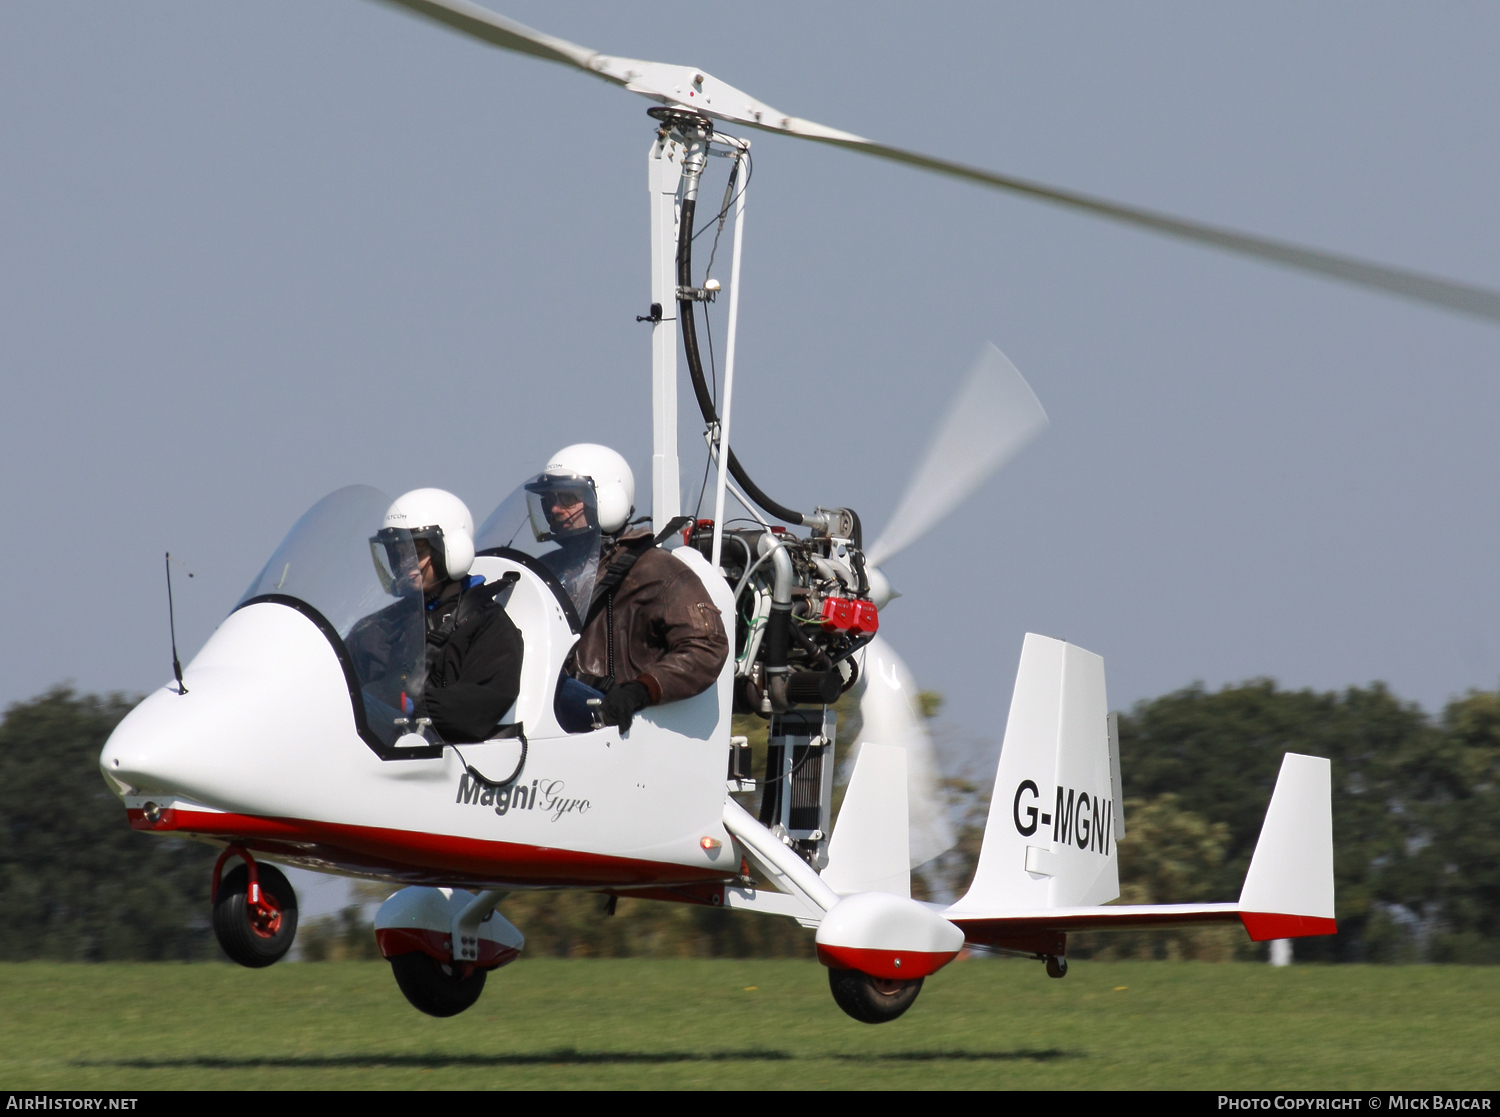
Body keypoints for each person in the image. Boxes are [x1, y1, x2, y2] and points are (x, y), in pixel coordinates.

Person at [537, 444, 729, 733]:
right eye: (549, 499)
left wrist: (640, 690)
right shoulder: (546, 571)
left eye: (567, 498)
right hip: (548, 722)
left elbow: (707, 646)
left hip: (614, 730)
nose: (554, 509)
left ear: (607, 499)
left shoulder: (657, 570)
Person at [351, 488, 524, 744]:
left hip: (436, 753)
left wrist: (408, 703)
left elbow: (483, 703)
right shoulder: (378, 626)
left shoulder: (486, 623)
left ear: (451, 550)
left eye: (415, 553)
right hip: (372, 753)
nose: (404, 564)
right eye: (397, 554)